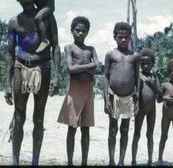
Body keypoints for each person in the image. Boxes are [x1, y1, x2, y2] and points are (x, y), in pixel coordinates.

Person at [4, 0, 61, 166]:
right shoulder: (14, 21)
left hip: (42, 68)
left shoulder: (46, 17)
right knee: (19, 116)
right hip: (21, 67)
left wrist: (57, 75)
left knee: (39, 117)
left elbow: (55, 47)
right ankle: (15, 161)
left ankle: (35, 161)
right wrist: (7, 83)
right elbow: (10, 53)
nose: (27, 0)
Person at [57, 16, 100, 166]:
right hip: (75, 90)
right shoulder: (69, 48)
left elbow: (99, 69)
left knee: (86, 128)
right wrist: (89, 66)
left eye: (83, 31)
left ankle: (84, 162)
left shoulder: (91, 49)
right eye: (77, 30)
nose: (80, 33)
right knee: (72, 127)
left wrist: (83, 68)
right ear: (72, 31)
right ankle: (70, 162)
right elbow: (70, 69)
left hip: (88, 89)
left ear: (87, 33)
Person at [103, 22, 140, 166]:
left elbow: (137, 78)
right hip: (114, 97)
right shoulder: (111, 54)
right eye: (120, 37)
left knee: (125, 129)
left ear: (130, 37)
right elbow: (105, 76)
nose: (123, 40)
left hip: (129, 97)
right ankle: (112, 160)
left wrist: (137, 99)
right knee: (113, 129)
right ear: (115, 37)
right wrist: (106, 99)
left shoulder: (135, 56)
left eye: (126, 37)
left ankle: (121, 161)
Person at [131, 48, 161, 166]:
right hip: (140, 109)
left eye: (148, 63)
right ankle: (133, 160)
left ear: (152, 64)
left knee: (150, 135)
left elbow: (160, 93)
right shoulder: (138, 76)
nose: (145, 66)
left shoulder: (155, 77)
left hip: (152, 110)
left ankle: (149, 160)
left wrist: (153, 85)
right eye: (142, 63)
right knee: (137, 134)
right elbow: (134, 91)